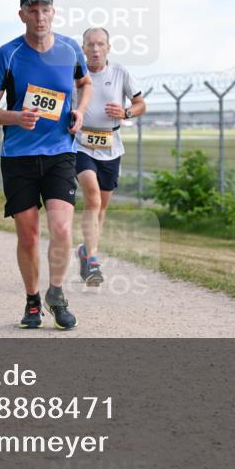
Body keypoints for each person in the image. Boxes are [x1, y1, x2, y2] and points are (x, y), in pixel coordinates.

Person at [0, 0, 92, 330]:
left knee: (61, 228)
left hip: (60, 153)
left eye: (45, 9)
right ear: (21, 15)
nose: (39, 16)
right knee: (27, 235)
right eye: (32, 10)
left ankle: (56, 293)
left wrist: (81, 111)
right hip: (19, 156)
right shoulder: (8, 53)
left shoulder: (71, 49)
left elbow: (85, 83)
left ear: (53, 12)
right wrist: (16, 117)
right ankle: (32, 301)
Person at [74, 27, 146, 286]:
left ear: (108, 48)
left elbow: (141, 105)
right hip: (81, 144)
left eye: (100, 44)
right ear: (83, 48)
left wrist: (126, 112)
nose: (95, 49)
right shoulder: (75, 75)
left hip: (110, 144)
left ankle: (85, 249)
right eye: (90, 44)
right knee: (91, 197)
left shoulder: (120, 73)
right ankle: (93, 259)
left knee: (101, 207)